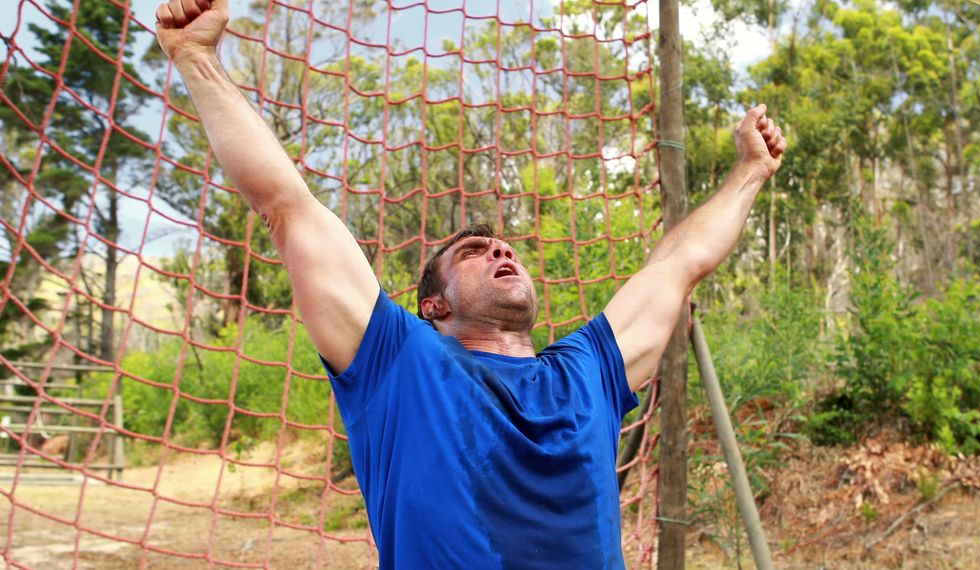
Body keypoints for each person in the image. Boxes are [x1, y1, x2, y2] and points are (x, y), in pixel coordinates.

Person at [155, 0, 787, 567]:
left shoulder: (586, 371)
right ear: (434, 303)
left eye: (505, 246)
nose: (501, 249)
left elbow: (678, 264)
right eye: (475, 251)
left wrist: (750, 172)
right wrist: (197, 58)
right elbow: (285, 204)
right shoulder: (399, 361)